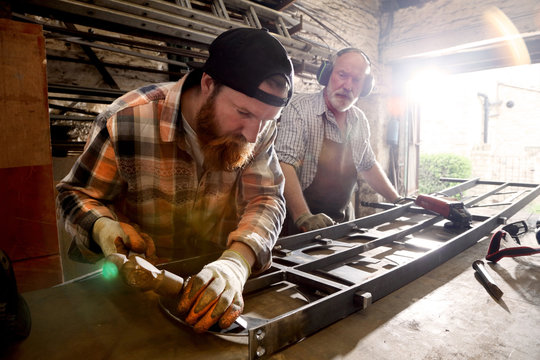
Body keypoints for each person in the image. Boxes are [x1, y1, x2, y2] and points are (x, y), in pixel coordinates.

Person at [56, 28, 294, 333]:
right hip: (132, 292)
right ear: (209, 84)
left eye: (266, 120)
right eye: (243, 113)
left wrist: (236, 262)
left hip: (212, 283)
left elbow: (267, 198)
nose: (252, 134)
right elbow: (75, 193)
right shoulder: (127, 119)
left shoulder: (258, 129)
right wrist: (102, 226)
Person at [275, 48, 400, 235]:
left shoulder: (359, 119)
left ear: (365, 86)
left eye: (356, 80)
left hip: (340, 224)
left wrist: (397, 200)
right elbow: (285, 163)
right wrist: (303, 217)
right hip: (297, 227)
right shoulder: (300, 108)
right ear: (327, 74)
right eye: (342, 75)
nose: (348, 85)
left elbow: (367, 165)